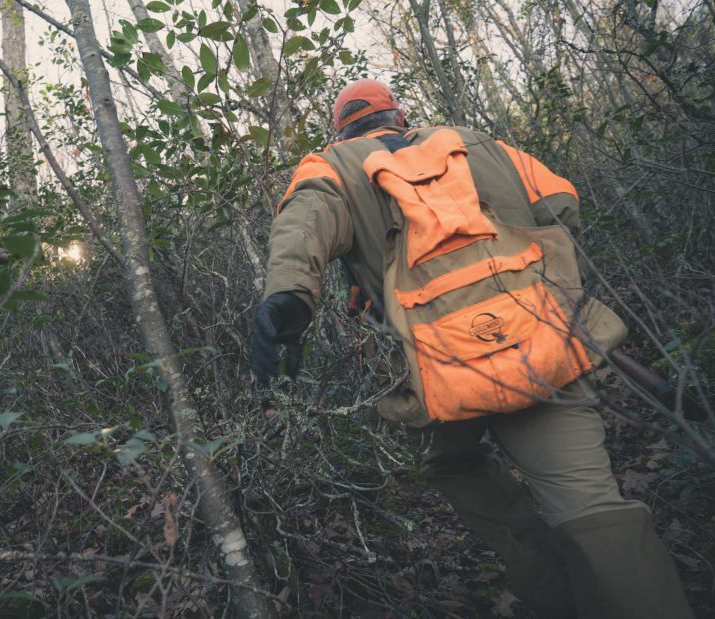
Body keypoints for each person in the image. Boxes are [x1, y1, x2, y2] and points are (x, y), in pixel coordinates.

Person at [250, 79, 693, 619]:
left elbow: (303, 222)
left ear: (341, 129)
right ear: (400, 112)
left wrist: (290, 298)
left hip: (439, 374)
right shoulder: (477, 142)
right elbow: (561, 205)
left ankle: (548, 581)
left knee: (454, 462)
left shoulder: (331, 167)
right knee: (593, 507)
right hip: (541, 347)